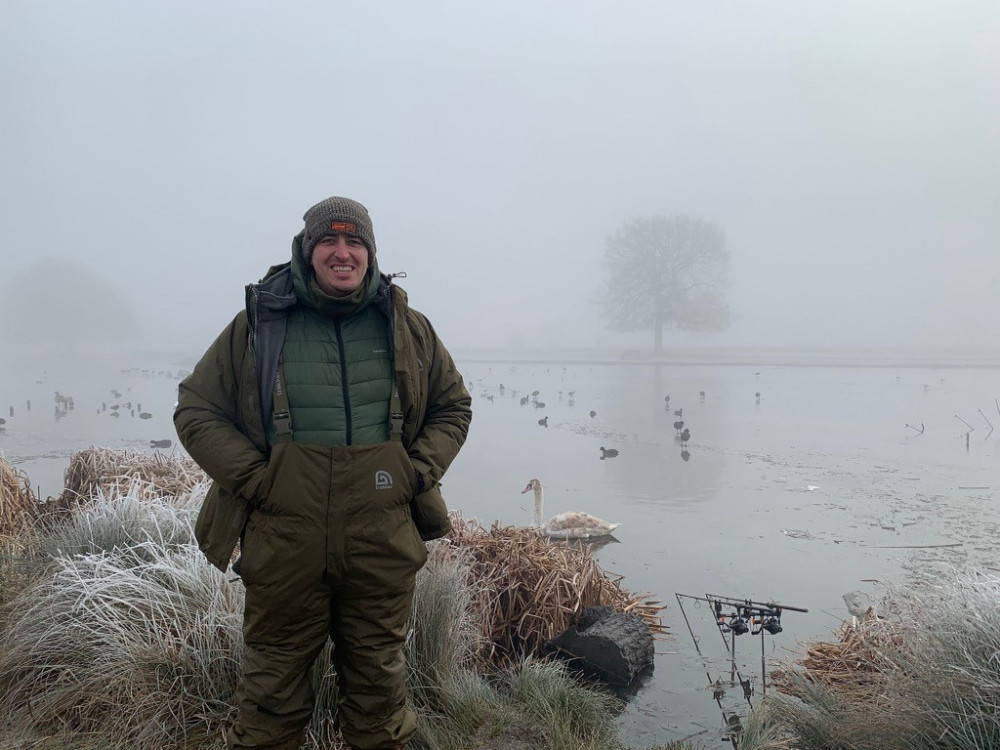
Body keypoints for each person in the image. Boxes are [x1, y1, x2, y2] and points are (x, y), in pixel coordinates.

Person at [174, 196, 473, 750]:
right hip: (284, 541)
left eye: (354, 242)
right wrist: (259, 480)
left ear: (371, 252)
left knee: (380, 699)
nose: (342, 253)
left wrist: (415, 472)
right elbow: (196, 409)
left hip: (381, 540)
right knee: (270, 699)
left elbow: (453, 407)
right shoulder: (259, 325)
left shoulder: (407, 328)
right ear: (308, 251)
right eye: (328, 242)